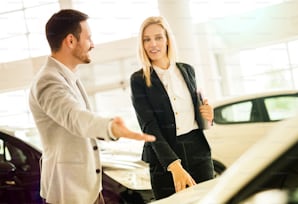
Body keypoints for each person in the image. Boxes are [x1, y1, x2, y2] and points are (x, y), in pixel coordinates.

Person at [29, 9, 155, 204]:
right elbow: (75, 117)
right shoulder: (48, 81)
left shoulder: (66, 76)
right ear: (70, 41)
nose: (93, 45)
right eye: (88, 38)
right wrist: (110, 127)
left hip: (85, 189)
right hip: (68, 192)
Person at [130, 16, 214, 200]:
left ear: (168, 39)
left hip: (198, 150)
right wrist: (174, 165)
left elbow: (197, 112)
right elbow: (149, 126)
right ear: (142, 44)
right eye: (147, 39)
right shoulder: (139, 80)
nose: (153, 44)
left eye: (158, 37)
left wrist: (208, 116)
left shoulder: (187, 70)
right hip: (164, 157)